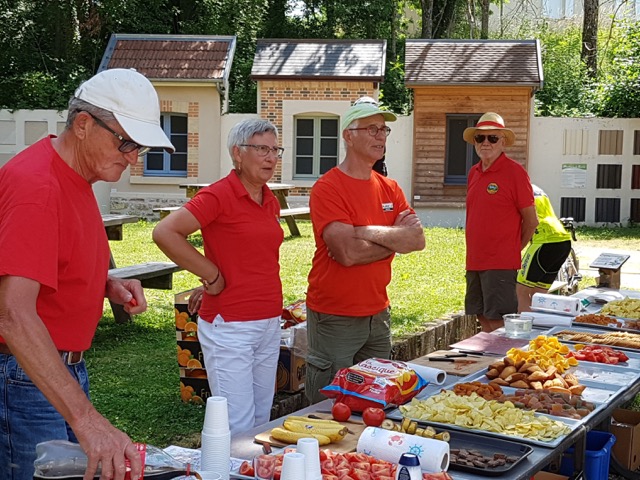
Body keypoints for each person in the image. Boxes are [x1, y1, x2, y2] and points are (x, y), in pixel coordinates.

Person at [0, 68, 174, 480]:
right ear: (82, 124)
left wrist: (104, 284)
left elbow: (46, 262)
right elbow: (12, 314)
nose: (133, 157)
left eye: (139, 147)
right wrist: (87, 419)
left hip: (52, 370)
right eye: (126, 142)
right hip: (26, 375)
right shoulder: (38, 187)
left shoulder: (75, 175)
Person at [152, 119, 284, 435]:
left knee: (261, 422)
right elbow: (165, 232)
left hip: (268, 320)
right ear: (237, 153)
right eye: (261, 149)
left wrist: (214, 275)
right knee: (236, 426)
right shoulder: (219, 195)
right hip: (231, 325)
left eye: (275, 150)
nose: (271, 157)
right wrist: (210, 275)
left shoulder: (268, 198)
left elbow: (248, 254)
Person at [304, 99, 426, 404]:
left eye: (383, 129)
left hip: (378, 314)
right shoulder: (328, 188)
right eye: (371, 129)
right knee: (328, 406)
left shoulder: (390, 187)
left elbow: (416, 240)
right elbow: (348, 254)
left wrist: (363, 231)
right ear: (348, 135)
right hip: (335, 315)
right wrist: (392, 240)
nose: (380, 136)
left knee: (376, 401)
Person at [463, 112, 538, 333]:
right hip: (474, 260)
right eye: (480, 138)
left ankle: (503, 355)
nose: (485, 143)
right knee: (480, 315)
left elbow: (531, 220)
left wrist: (512, 249)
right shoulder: (474, 172)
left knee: (499, 323)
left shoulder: (515, 172)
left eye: (493, 138)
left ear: (503, 142)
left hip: (500, 262)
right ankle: (489, 355)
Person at [517, 185, 572, 312]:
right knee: (539, 294)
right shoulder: (535, 188)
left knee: (521, 291)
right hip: (563, 239)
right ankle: (540, 321)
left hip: (544, 240)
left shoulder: (516, 188)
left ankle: (525, 323)